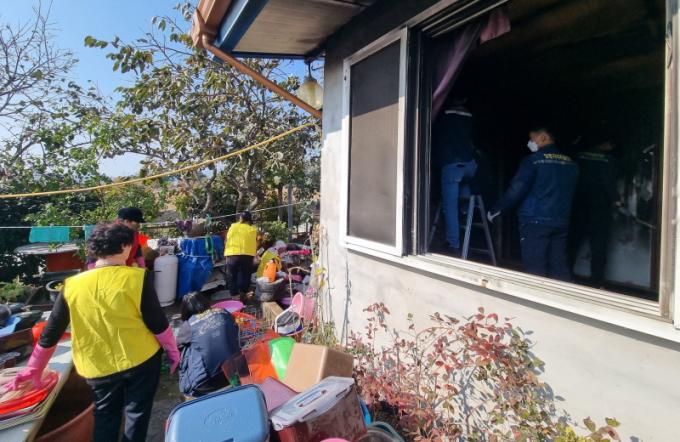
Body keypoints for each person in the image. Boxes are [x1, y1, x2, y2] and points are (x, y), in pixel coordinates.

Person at [2, 223, 180, 442]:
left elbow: (51, 332)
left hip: (96, 366)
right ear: (125, 247)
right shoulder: (137, 278)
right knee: (137, 413)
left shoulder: (72, 285)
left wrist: (34, 368)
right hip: (141, 360)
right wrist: (174, 353)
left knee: (105, 415)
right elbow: (158, 324)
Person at [488, 126, 579, 280]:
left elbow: (517, 189)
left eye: (532, 138)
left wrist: (497, 209)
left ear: (543, 137)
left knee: (535, 269)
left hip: (535, 220)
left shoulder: (533, 161)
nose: (530, 142)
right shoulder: (571, 163)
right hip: (561, 220)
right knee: (559, 266)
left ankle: (537, 295)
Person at [569, 135, 620, 287]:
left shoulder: (578, 157)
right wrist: (617, 200)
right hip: (600, 210)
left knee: (573, 244)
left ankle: (567, 276)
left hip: (578, 206)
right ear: (605, 143)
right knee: (599, 247)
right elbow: (609, 182)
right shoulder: (608, 159)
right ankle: (596, 282)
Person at [432, 104, 478, 253]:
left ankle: (453, 244)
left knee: (450, 207)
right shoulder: (469, 116)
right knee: (463, 190)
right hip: (470, 164)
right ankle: (465, 211)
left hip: (452, 164)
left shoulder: (443, 114)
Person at [177, 292, 241, 398]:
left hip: (205, 385)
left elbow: (178, 348)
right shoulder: (223, 312)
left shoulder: (188, 325)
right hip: (236, 373)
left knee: (186, 350)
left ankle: (188, 388)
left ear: (185, 310)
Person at [224, 211, 258, 296]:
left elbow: (226, 240)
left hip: (232, 254)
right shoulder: (253, 229)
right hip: (247, 254)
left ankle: (234, 295)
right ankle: (244, 293)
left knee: (232, 276)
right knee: (246, 275)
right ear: (249, 220)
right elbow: (255, 241)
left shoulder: (233, 226)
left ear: (240, 218)